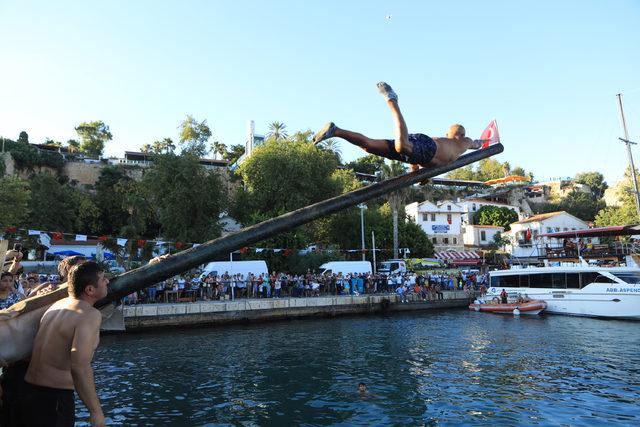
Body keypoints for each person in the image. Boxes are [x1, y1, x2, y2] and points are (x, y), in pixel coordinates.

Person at [314, 82, 489, 171]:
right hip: (423, 147)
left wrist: (418, 172)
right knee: (402, 146)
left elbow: (418, 158)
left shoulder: (450, 146)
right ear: (459, 134)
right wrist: (486, 140)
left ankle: (335, 131)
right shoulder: (462, 143)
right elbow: (477, 144)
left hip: (417, 152)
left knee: (368, 146)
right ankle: (392, 100)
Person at [20, 261, 109, 427]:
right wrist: (96, 411)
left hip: (28, 391)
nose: (108, 281)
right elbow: (79, 366)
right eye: (103, 278)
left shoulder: (57, 305)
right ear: (90, 290)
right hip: (53, 399)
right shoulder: (89, 314)